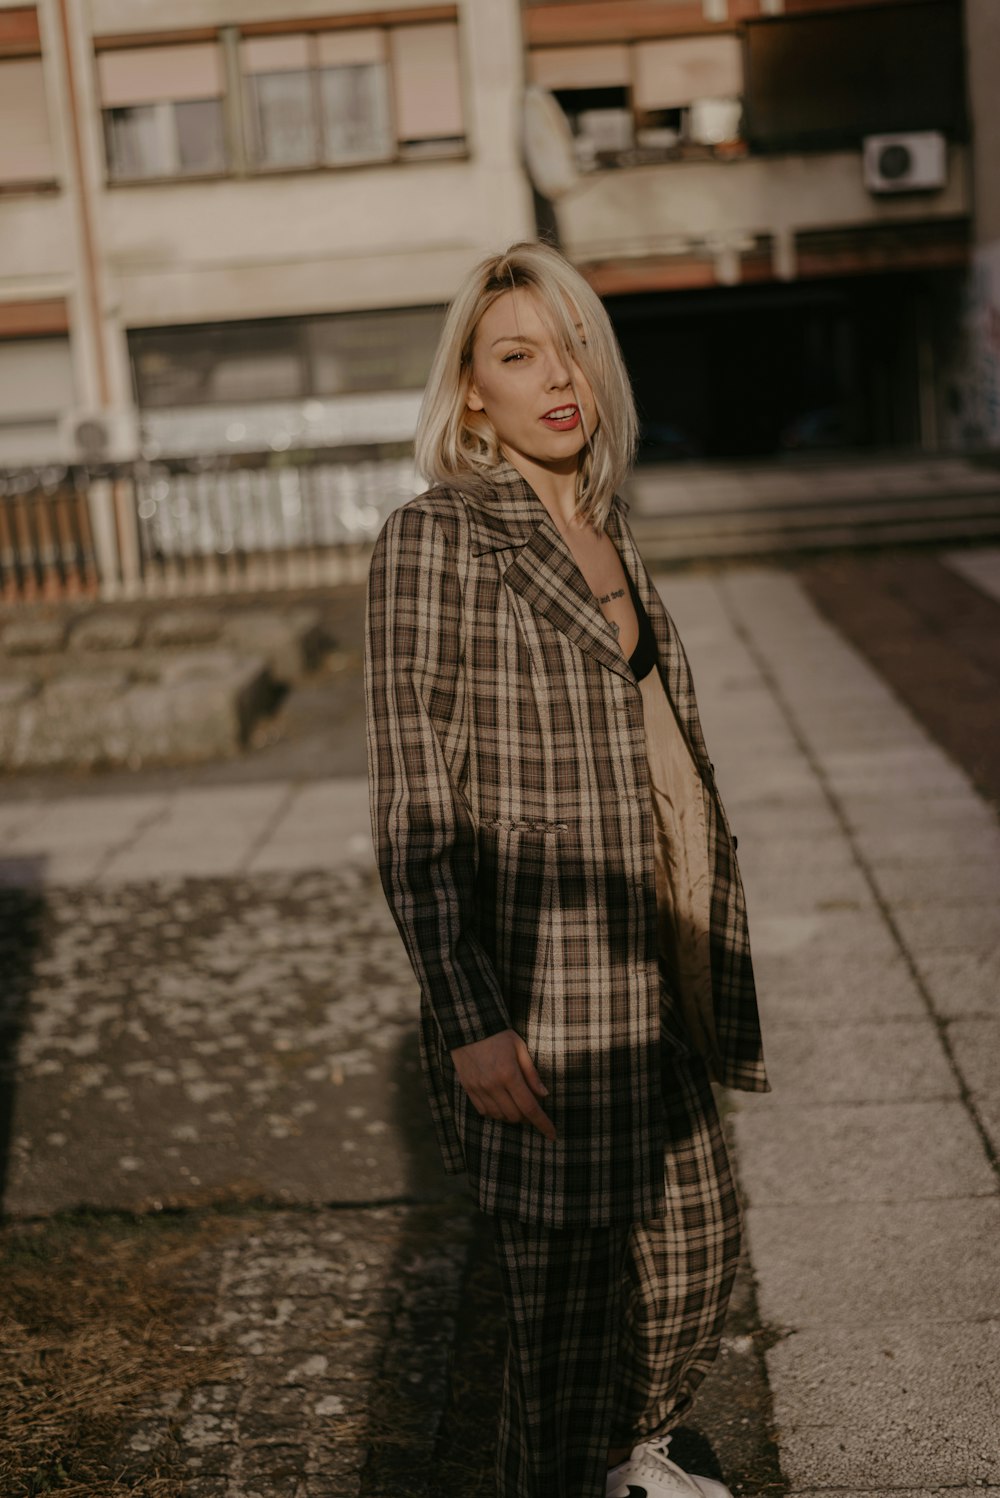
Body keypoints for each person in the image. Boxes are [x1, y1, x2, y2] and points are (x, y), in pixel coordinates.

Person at [364, 241, 769, 1498]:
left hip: (663, 945)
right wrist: (471, 1018)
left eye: (570, 345)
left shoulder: (605, 528)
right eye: (515, 354)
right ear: (469, 391)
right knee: (561, 1314)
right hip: (542, 983)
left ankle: (620, 1454)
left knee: (700, 1250)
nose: (555, 377)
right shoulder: (438, 537)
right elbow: (414, 807)